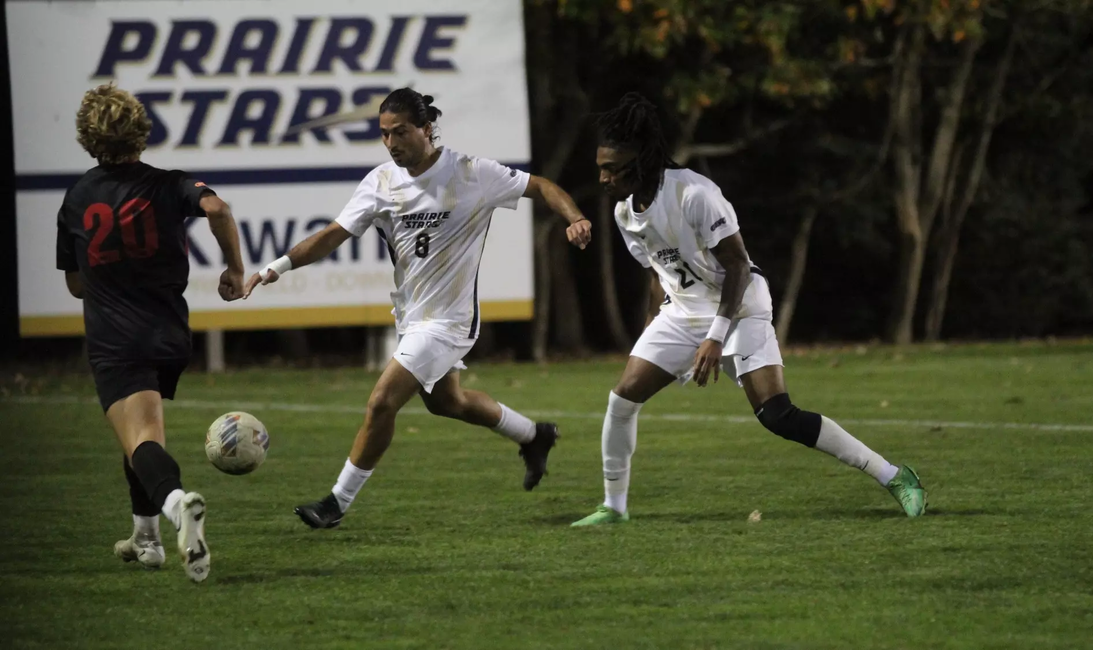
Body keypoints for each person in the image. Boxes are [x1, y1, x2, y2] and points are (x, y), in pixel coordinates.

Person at [571, 93, 927, 527]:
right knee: (623, 396)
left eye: (612, 168)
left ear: (640, 161)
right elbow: (656, 271)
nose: (604, 178)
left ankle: (894, 476)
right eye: (600, 168)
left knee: (777, 415)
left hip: (738, 307)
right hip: (681, 314)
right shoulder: (625, 212)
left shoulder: (693, 193)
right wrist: (652, 330)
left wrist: (714, 338)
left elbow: (738, 265)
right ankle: (614, 507)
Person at [244, 88, 592, 529]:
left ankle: (337, 502)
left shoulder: (470, 173)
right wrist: (277, 267)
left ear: (426, 130)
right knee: (448, 402)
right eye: (385, 134)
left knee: (381, 403)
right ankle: (533, 435)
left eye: (401, 132)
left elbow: (540, 185)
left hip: (450, 321)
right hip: (413, 318)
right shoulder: (380, 182)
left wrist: (574, 216)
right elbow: (333, 234)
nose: (392, 143)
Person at [56, 84, 246, 580]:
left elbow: (76, 285)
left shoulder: (77, 199)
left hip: (117, 340)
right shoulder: (170, 184)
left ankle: (178, 504)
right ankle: (146, 539)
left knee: (140, 439)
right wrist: (234, 270)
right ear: (141, 130)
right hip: (169, 335)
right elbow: (219, 209)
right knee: (140, 437)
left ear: (87, 137)